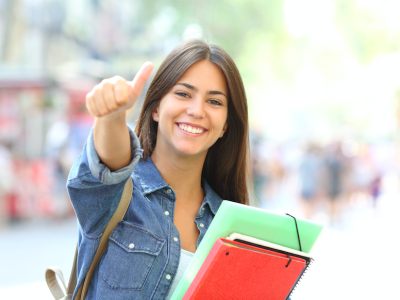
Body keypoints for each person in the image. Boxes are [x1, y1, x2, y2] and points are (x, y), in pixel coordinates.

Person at [67, 39, 253, 299]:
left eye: (214, 102)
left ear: (225, 126)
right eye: (183, 94)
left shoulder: (234, 228)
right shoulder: (119, 196)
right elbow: (110, 165)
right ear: (156, 108)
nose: (196, 110)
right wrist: (111, 117)